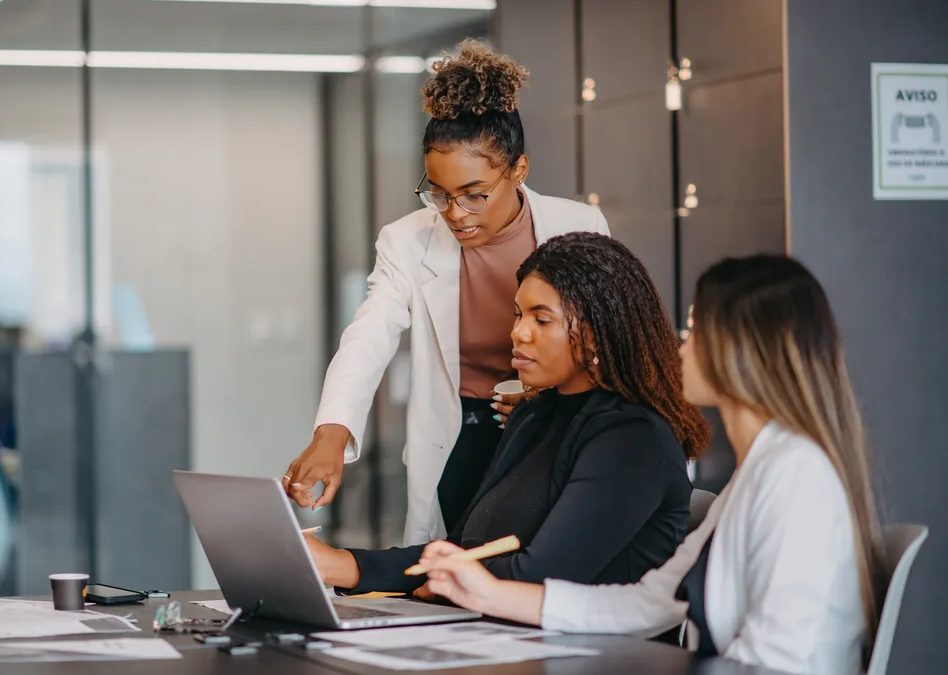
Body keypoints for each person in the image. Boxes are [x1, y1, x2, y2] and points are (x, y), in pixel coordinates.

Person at [419, 255, 884, 675]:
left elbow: (777, 661)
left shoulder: (798, 475)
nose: (682, 347)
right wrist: (481, 590)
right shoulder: (761, 471)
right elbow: (649, 602)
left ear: (739, 351)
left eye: (696, 332)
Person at [285, 40, 609, 545]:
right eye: (439, 193)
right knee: (453, 563)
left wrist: (545, 392)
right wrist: (332, 433)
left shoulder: (580, 226)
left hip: (555, 424)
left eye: (474, 195)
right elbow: (368, 336)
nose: (456, 213)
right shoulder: (407, 240)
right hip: (462, 429)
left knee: (543, 559)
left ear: (518, 171)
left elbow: (609, 339)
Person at [305, 233, 710, 598]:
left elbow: (543, 577)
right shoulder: (532, 417)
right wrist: (341, 565)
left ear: (595, 332)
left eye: (541, 318)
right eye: (519, 314)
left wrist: (452, 579)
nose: (518, 332)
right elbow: (466, 547)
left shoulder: (632, 438)